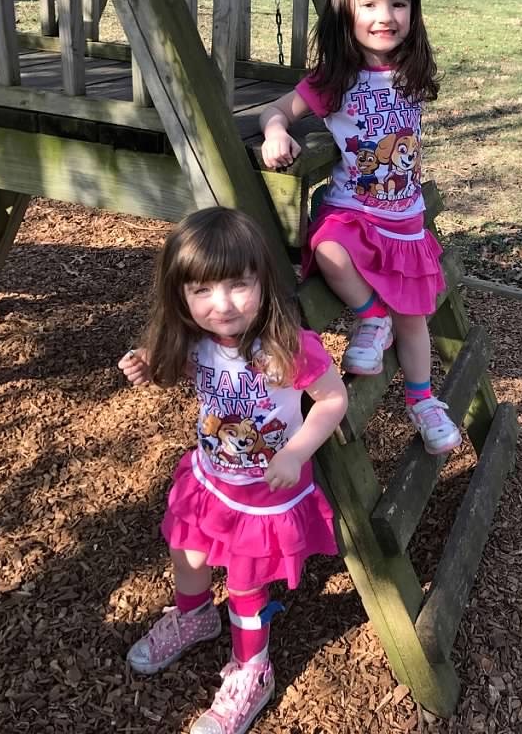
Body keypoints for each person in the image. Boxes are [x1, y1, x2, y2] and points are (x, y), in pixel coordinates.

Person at [118, 207, 348, 734]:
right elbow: (170, 366)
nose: (221, 305)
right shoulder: (196, 340)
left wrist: (297, 451)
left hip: (264, 495)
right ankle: (195, 615)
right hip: (210, 479)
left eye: (237, 286)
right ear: (180, 295)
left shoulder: (289, 348)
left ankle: (252, 669)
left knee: (247, 584)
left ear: (263, 282)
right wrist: (146, 364)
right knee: (187, 549)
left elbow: (333, 399)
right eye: (201, 290)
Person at [259, 0, 461, 456]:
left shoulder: (413, 73)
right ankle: (372, 317)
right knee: (327, 248)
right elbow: (275, 108)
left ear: (413, 12)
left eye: (398, 3)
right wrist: (277, 132)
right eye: (368, 4)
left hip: (405, 218)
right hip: (352, 210)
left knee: (415, 317)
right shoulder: (336, 79)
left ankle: (422, 400)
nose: (384, 16)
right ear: (345, 11)